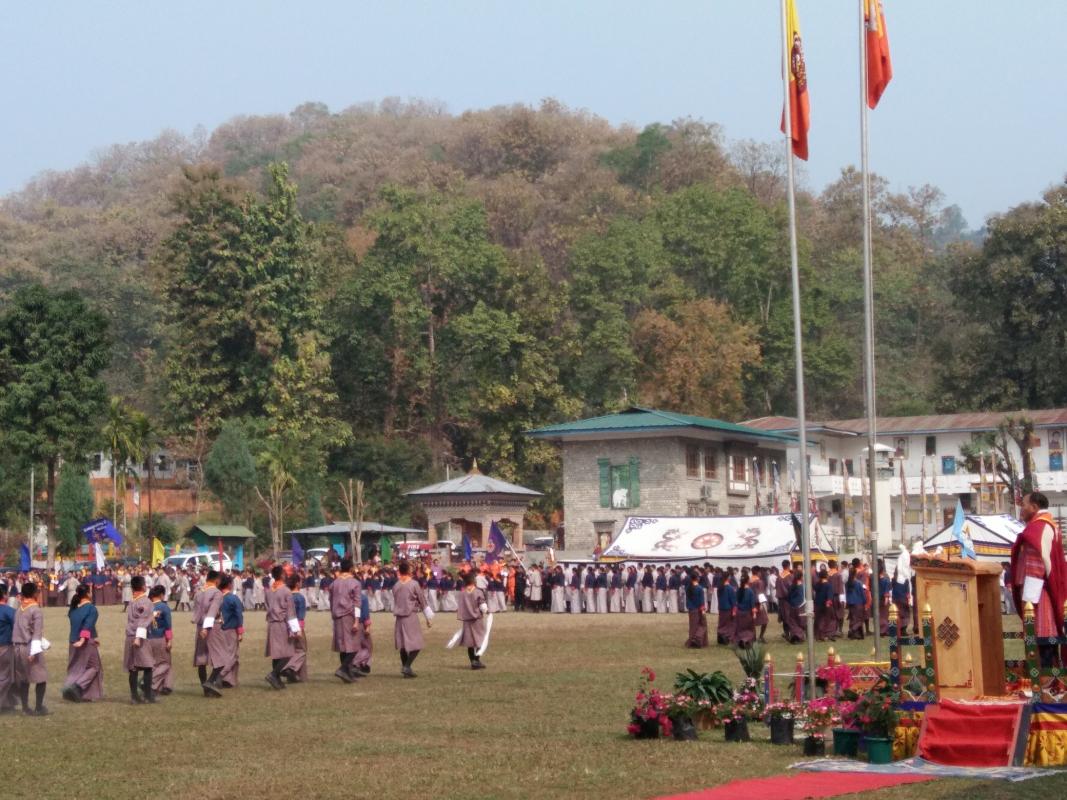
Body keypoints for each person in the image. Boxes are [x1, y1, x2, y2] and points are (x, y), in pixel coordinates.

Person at [1011, 491, 1067, 667]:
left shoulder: (1038, 528)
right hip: (1040, 589)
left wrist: (1028, 602)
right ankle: (1047, 683)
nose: (1021, 508)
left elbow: (1036, 566)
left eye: (1024, 504)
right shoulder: (1046, 525)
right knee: (1042, 637)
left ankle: (1044, 685)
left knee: (1041, 636)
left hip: (1037, 594)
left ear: (1034, 507)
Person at [61, 583, 103, 702]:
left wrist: (93, 637)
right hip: (84, 642)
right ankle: (77, 687)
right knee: (94, 667)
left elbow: (82, 625)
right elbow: (87, 625)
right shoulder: (91, 608)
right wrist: (83, 640)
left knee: (76, 667)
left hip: (72, 641)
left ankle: (73, 689)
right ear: (88, 594)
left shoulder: (74, 609)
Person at [328, 557, 366, 683]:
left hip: (337, 616)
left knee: (343, 646)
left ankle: (347, 673)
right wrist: (356, 620)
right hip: (349, 616)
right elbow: (357, 603)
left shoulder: (334, 583)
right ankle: (343, 669)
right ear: (350, 568)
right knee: (354, 646)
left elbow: (330, 600)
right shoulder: (355, 583)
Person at [13, 581, 48, 715]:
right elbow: (37, 632)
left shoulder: (19, 609)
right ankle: (39, 707)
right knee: (41, 677)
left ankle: (25, 708)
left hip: (17, 647)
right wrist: (34, 651)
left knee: (24, 678)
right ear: (34, 594)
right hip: (29, 647)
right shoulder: (35, 610)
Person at [392, 560, 430, 678]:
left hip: (399, 617)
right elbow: (422, 600)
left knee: (403, 646)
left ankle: (406, 669)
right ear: (408, 570)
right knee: (417, 644)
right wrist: (428, 617)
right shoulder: (414, 584)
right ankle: (407, 666)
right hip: (410, 616)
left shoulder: (396, 585)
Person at [264, 565, 299, 690]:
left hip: (271, 623)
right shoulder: (285, 590)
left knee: (276, 653)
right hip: (281, 623)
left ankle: (277, 679)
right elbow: (291, 611)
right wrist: (295, 629)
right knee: (287, 652)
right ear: (282, 575)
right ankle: (274, 674)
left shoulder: (268, 591)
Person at [124, 575, 156, 704]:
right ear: (143, 586)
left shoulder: (133, 601)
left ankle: (134, 696)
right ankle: (147, 695)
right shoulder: (145, 601)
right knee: (148, 666)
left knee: (133, 668)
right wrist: (138, 638)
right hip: (139, 637)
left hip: (129, 636)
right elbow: (143, 621)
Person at [192, 570, 224, 697]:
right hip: (211, 626)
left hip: (200, 626)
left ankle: (206, 689)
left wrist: (202, 627)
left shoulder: (199, 592)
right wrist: (206, 627)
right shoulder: (217, 593)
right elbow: (213, 610)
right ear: (217, 580)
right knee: (222, 656)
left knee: (201, 659)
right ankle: (210, 682)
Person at [216, 574, 244, 689]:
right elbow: (239, 615)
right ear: (229, 585)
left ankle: (230, 680)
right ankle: (220, 676)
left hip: (218, 630)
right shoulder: (233, 598)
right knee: (232, 656)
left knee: (223, 655)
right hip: (230, 630)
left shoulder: (217, 597)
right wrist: (240, 631)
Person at [456, 571, 489, 670]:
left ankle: (473, 661)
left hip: (466, 619)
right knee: (480, 640)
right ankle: (476, 660)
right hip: (476, 619)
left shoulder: (462, 593)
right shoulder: (478, 592)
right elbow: (482, 605)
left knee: (470, 642)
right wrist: (487, 611)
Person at [147, 585, 174, 696]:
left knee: (154, 663)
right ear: (162, 595)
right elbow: (168, 626)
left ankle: (166, 686)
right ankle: (150, 683)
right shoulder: (164, 607)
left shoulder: (146, 606)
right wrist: (169, 640)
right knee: (165, 663)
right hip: (160, 638)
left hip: (148, 638)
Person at [284, 574, 307, 683]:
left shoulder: (287, 596)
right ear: (297, 583)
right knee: (301, 650)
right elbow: (300, 616)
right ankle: (292, 669)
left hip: (286, 627)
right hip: (297, 626)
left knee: (292, 651)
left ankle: (295, 677)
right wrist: (300, 629)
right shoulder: (300, 598)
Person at [0, 584, 15, 714]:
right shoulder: (9, 611)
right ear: (4, 595)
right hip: (4, 646)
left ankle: (6, 702)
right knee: (5, 676)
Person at [684, 571, 708, 648]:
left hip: (691, 609)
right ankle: (698, 639)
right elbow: (701, 601)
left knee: (693, 626)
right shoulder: (699, 588)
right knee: (702, 625)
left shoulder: (688, 588)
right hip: (698, 609)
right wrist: (703, 611)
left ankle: (692, 640)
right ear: (697, 578)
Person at [845, 566, 866, 640]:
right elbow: (862, 593)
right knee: (860, 619)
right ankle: (852, 630)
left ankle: (856, 634)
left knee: (853, 618)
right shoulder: (858, 583)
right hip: (858, 602)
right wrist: (865, 601)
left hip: (851, 602)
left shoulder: (847, 583)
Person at [717, 572, 736, 645]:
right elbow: (733, 600)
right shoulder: (730, 588)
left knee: (721, 623)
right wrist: (734, 609)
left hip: (721, 608)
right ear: (728, 577)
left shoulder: (720, 587)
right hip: (728, 608)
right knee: (729, 624)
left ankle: (720, 638)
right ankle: (727, 638)